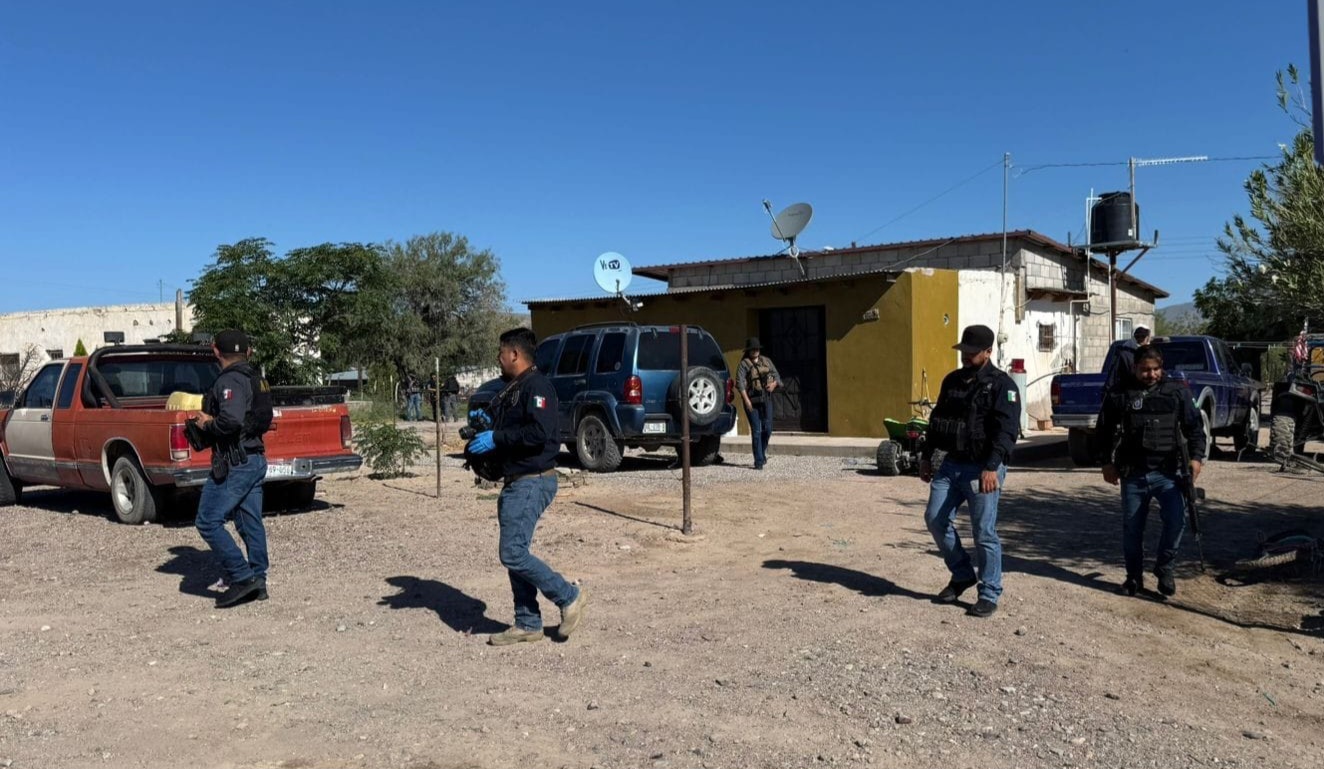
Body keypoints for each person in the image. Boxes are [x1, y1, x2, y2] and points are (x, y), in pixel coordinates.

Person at [466, 327, 587, 646]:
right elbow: (516, 430)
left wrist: (497, 437)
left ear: (515, 354)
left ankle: (568, 596)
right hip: (517, 480)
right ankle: (528, 623)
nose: (498, 358)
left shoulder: (537, 386)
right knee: (515, 551)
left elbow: (539, 433)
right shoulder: (514, 387)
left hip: (533, 480)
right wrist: (488, 429)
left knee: (513, 552)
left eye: (501, 352)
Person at [920, 324, 1020, 618]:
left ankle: (989, 592)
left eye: (972, 352)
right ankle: (963, 574)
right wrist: (926, 456)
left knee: (984, 532)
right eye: (964, 350)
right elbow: (937, 421)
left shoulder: (1003, 386)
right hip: (952, 463)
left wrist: (992, 467)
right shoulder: (952, 380)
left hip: (983, 467)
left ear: (988, 352)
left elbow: (1007, 431)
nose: (966, 356)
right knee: (935, 518)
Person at [1097, 345, 1206, 597]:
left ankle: (1165, 568)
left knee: (1176, 522)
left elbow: (1195, 429)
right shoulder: (1120, 393)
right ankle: (1133, 578)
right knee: (1132, 529)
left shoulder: (1176, 392)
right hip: (1133, 473)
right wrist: (1106, 463)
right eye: (1145, 370)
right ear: (1135, 368)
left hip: (1169, 473)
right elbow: (1104, 431)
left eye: (1156, 369)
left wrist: (1196, 459)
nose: (1151, 374)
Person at [192, 329, 274, 608]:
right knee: (249, 521)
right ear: (248, 352)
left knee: (207, 520)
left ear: (216, 351)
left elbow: (231, 420)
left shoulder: (229, 380)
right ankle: (258, 580)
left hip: (235, 462)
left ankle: (242, 577)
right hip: (255, 458)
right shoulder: (255, 378)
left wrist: (206, 424)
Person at [735, 337, 781, 470]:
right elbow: (740, 384)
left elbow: (777, 376)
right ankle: (759, 461)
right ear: (748, 351)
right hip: (752, 400)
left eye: (757, 349)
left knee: (768, 429)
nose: (755, 351)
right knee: (756, 430)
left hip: (766, 398)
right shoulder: (744, 364)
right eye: (752, 349)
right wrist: (747, 401)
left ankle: (761, 452)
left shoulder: (766, 361)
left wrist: (774, 384)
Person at [1105, 326, 1153, 394]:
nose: (1140, 339)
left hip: (1148, 393)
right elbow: (1113, 378)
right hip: (1130, 393)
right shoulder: (1124, 355)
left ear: (1147, 337)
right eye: (1137, 336)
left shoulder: (1152, 354)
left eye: (1143, 336)